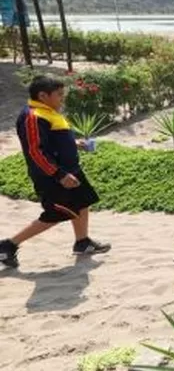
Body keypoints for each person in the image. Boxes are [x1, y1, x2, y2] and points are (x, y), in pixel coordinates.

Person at [0, 76, 110, 268]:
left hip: (71, 171)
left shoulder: (48, 112)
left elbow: (52, 142)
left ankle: (82, 242)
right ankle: (8, 245)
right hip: (53, 177)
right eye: (59, 95)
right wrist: (59, 175)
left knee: (83, 202)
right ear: (43, 95)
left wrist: (75, 144)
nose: (62, 98)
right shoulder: (33, 117)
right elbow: (36, 151)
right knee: (55, 214)